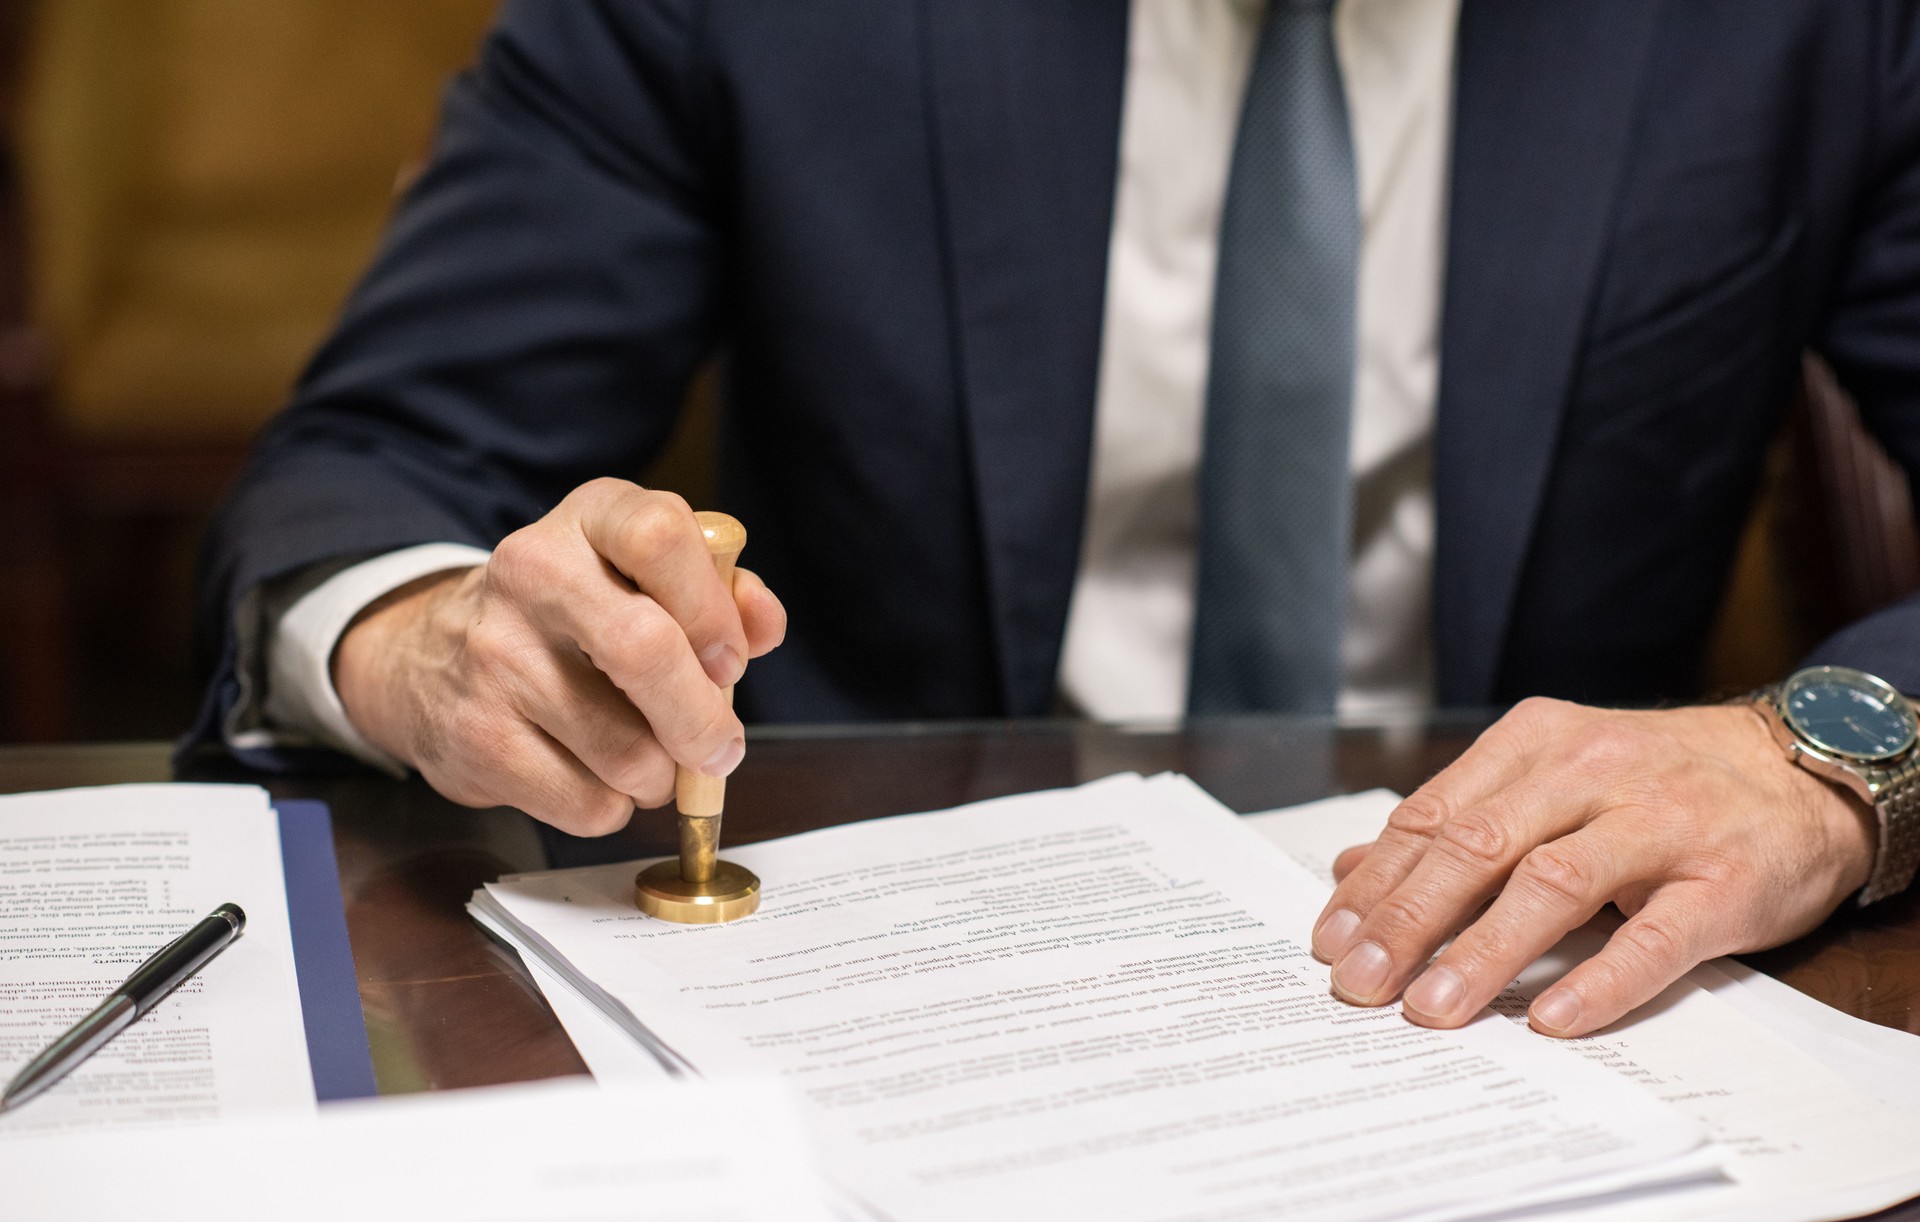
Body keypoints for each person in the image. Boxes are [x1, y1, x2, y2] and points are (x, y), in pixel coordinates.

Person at [193, 0, 1920, 1040]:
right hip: (864, 974)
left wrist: (1830, 761)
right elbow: (386, 454)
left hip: (1525, 1001)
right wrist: (427, 639)